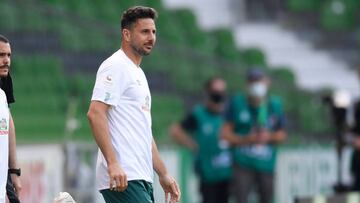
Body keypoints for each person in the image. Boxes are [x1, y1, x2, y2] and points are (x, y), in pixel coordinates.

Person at [87, 6, 180, 203]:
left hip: (141, 175)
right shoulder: (115, 65)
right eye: (144, 31)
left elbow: (144, 132)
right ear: (126, 34)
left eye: (154, 32)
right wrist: (113, 163)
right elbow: (95, 114)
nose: (151, 37)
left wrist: (163, 173)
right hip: (124, 174)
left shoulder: (138, 73)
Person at [221, 68, 286, 203]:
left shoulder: (274, 105)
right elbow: (225, 134)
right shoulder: (237, 103)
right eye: (253, 81)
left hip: (266, 163)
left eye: (259, 80)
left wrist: (268, 137)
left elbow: (282, 135)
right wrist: (245, 139)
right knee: (241, 198)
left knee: (267, 198)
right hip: (242, 163)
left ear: (266, 82)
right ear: (247, 84)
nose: (256, 84)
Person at [170, 77, 232, 203]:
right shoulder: (199, 114)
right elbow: (175, 131)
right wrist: (192, 144)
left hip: (229, 174)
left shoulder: (229, 115)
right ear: (208, 93)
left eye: (222, 93)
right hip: (208, 174)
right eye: (215, 93)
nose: (219, 96)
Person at [0, 34, 21, 203]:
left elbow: (7, 122)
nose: (6, 60)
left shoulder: (4, 80)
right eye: (1, 55)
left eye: (8, 55)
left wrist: (14, 171)